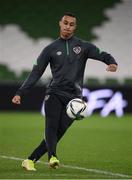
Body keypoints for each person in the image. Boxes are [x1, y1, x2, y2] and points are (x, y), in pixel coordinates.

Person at [12, 12, 118, 171]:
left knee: (59, 132)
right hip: (54, 92)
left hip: (74, 99)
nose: (68, 27)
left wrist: (112, 62)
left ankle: (29, 160)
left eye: (71, 24)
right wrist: (20, 92)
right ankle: (52, 157)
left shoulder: (83, 46)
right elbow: (36, 72)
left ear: (75, 27)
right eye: (65, 23)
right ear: (60, 24)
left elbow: (102, 54)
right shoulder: (50, 49)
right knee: (51, 126)